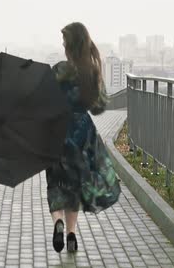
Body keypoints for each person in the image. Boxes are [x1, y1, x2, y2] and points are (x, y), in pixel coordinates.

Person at [46, 22, 121, 253]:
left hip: (57, 133)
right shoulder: (92, 73)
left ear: (69, 46)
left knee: (56, 184)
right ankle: (71, 235)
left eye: (64, 42)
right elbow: (99, 107)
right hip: (82, 135)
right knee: (75, 186)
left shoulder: (58, 70)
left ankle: (57, 222)